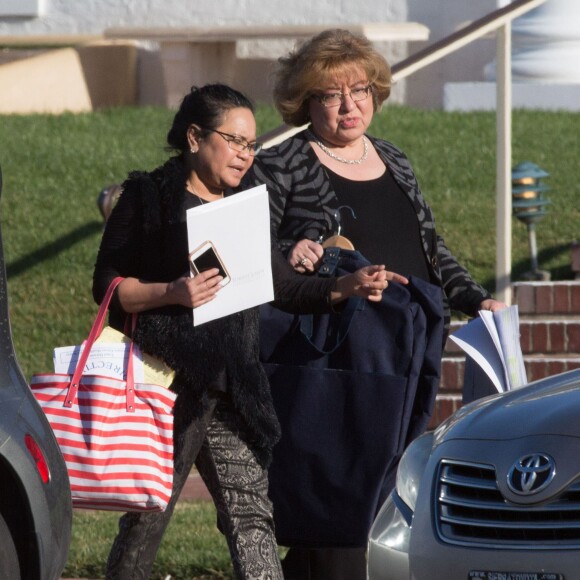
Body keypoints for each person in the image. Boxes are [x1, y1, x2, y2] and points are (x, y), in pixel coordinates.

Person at [92, 83, 396, 580]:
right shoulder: (148, 198)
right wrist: (173, 291)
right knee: (147, 520)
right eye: (234, 141)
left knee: (251, 515)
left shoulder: (246, 204)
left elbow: (281, 286)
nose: (244, 155)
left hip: (231, 385)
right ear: (194, 136)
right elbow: (106, 287)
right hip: (166, 388)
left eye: (251, 145)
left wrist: (345, 285)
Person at [243, 29, 507, 580]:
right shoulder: (283, 162)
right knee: (338, 504)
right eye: (331, 94)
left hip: (406, 353)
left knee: (396, 493)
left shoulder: (393, 158)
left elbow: (431, 248)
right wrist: (292, 250)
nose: (349, 105)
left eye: (360, 90)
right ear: (305, 101)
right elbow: (249, 252)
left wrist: (475, 297)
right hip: (335, 363)